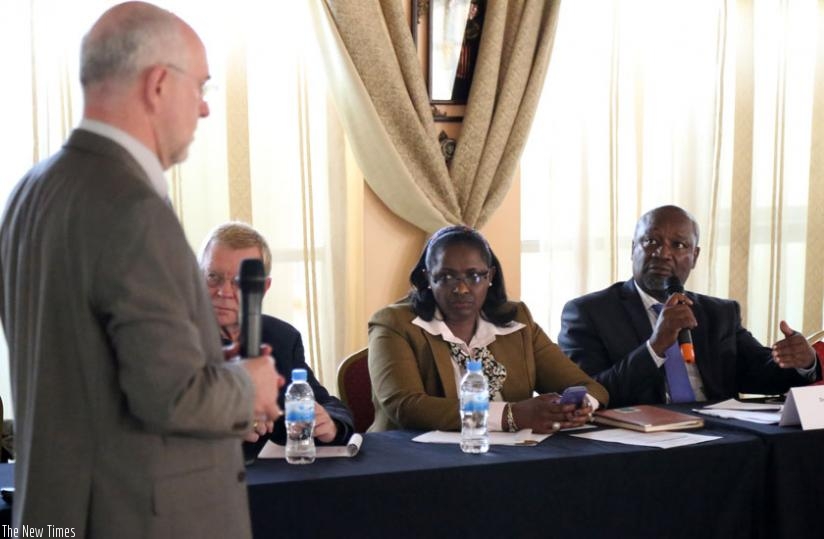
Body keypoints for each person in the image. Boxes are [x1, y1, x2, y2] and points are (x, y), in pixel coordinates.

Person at [0, 3, 281, 537]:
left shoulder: (29, 191)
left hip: (51, 513)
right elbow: (170, 396)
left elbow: (83, 361)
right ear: (157, 85)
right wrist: (247, 385)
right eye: (201, 86)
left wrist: (206, 358)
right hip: (136, 517)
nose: (202, 109)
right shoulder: (135, 209)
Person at [558, 205, 820, 408]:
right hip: (637, 442)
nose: (663, 253)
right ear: (632, 248)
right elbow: (589, 394)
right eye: (651, 241)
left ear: (694, 257)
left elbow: (759, 374)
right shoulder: (588, 313)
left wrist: (802, 361)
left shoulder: (719, 313)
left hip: (719, 437)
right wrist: (655, 347)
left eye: (679, 245)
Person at [368, 225, 608, 434]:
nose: (461, 288)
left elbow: (589, 386)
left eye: (473, 276)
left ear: (490, 276)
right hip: (417, 459)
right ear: (427, 277)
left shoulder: (517, 321)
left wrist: (579, 405)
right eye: (446, 276)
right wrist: (511, 416)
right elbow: (407, 407)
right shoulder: (393, 324)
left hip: (508, 454)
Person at [199, 222, 354, 462]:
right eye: (213, 277)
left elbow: (323, 402)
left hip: (277, 478)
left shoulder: (281, 337)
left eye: (240, 282)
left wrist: (331, 424)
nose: (224, 292)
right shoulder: (170, 339)